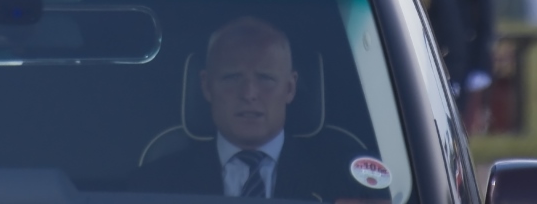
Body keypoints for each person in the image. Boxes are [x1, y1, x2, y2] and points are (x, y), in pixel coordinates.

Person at [132, 17, 372, 201]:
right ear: (206, 86)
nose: (248, 94)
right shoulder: (155, 186)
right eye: (232, 78)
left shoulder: (346, 183)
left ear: (290, 88)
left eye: (265, 78)